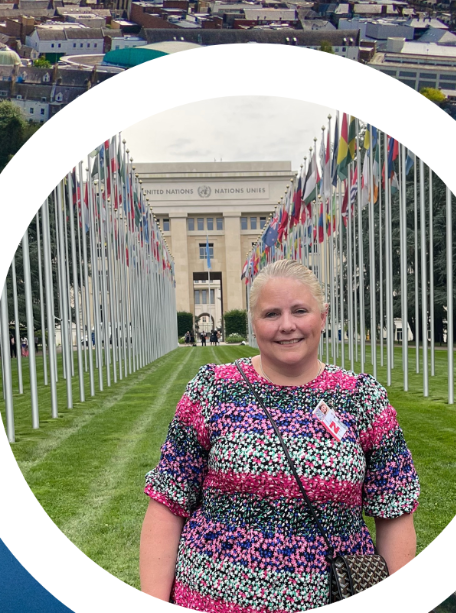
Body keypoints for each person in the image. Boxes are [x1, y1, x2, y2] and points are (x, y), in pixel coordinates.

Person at [138, 259, 419, 611]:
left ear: (323, 316)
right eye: (271, 314)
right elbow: (168, 502)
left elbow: (394, 510)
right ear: (254, 323)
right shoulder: (211, 390)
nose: (287, 325)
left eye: (300, 310)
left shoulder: (362, 398)